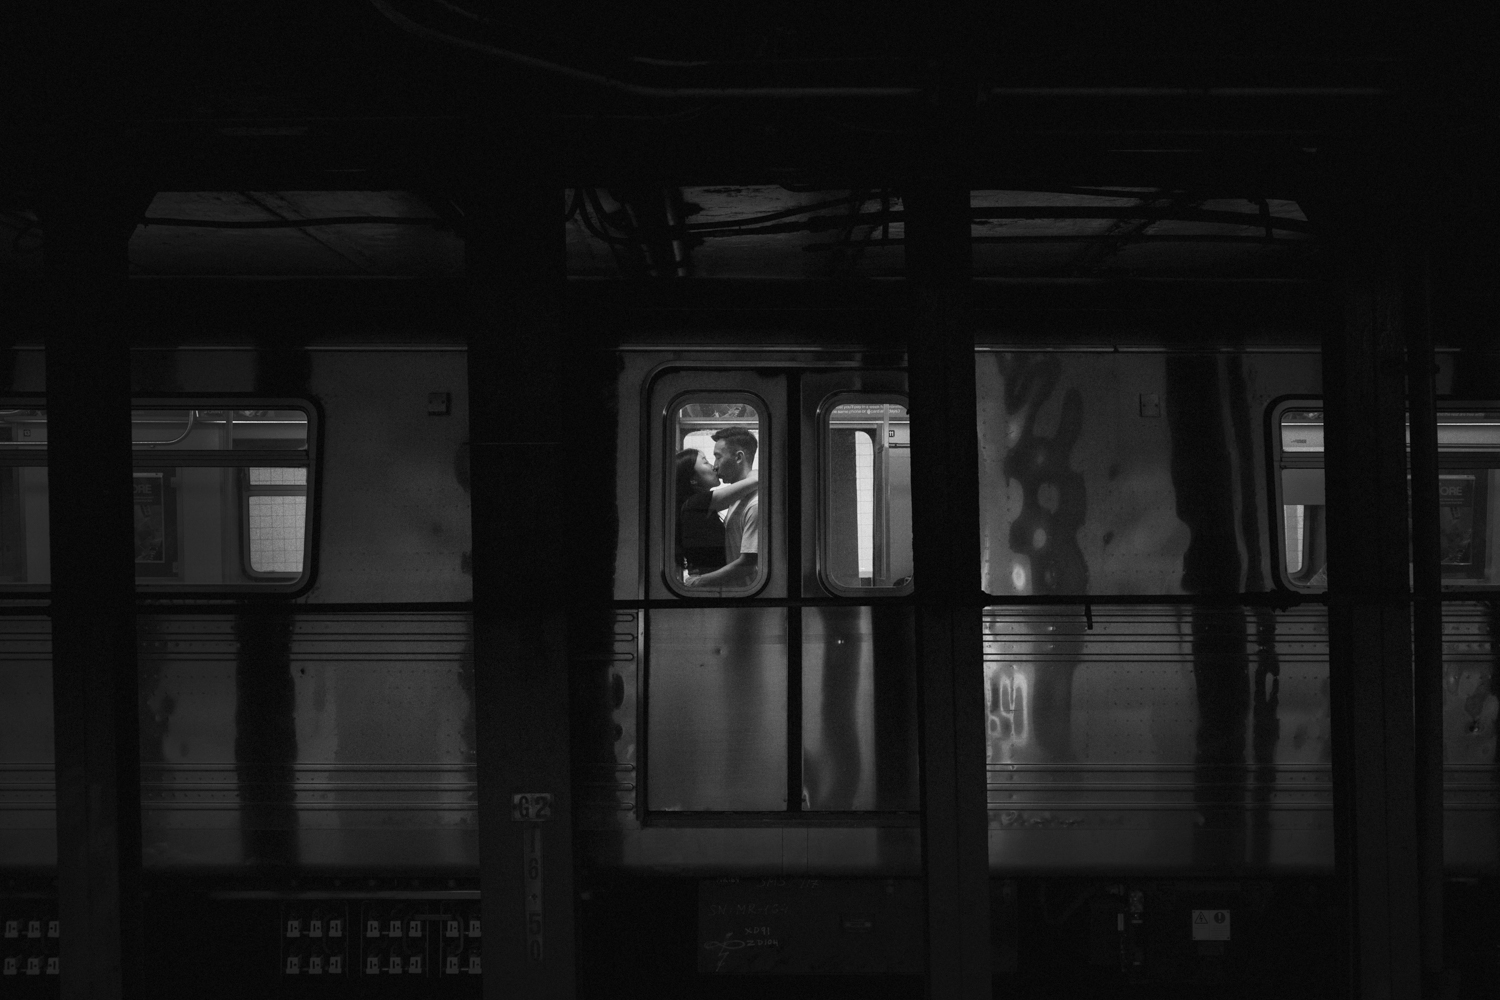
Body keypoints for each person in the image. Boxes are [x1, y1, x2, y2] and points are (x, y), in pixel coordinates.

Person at [686, 426, 759, 589]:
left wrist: (698, 582)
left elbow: (748, 564)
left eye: (718, 457)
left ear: (738, 457)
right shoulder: (736, 497)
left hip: (748, 594)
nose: (715, 466)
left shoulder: (755, 504)